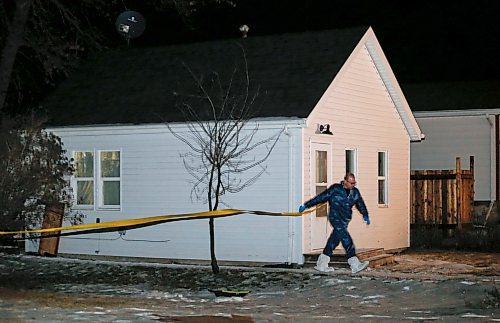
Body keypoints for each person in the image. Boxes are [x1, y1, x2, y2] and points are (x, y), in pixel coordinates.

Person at [299, 173, 370, 274]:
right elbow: (321, 197)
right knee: (346, 238)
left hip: (345, 219)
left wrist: (365, 215)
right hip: (335, 217)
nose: (353, 185)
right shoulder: (335, 189)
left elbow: (360, 204)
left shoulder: (355, 192)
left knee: (334, 240)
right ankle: (354, 263)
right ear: (345, 181)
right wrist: (306, 205)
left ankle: (321, 264)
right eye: (351, 183)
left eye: (354, 183)